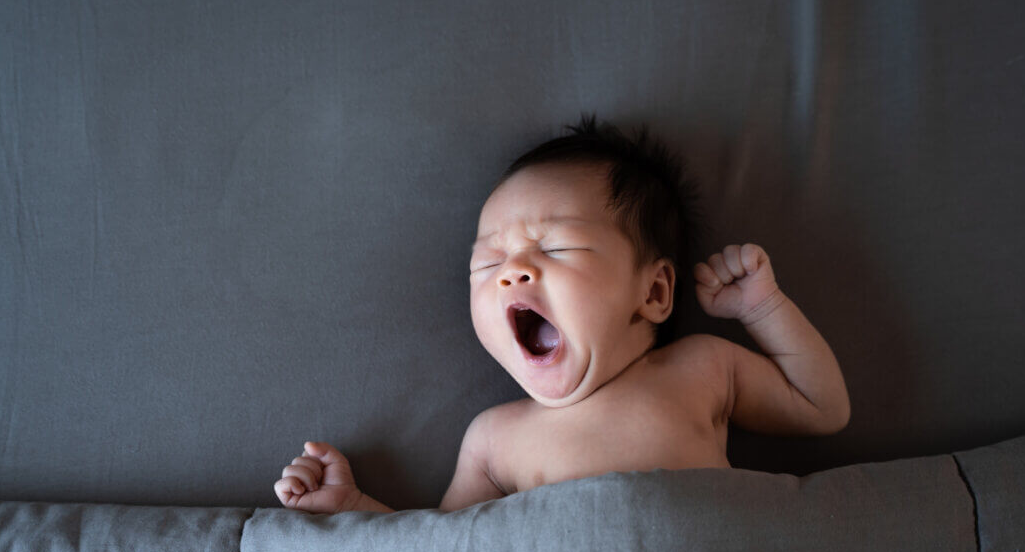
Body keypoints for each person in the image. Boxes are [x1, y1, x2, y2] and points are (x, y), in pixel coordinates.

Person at [274, 114, 850, 514]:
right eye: (487, 262)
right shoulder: (494, 440)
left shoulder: (701, 369)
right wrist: (353, 508)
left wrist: (762, 307)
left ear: (654, 293)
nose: (511, 271)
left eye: (555, 247)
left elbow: (822, 408)